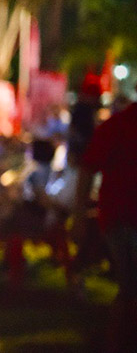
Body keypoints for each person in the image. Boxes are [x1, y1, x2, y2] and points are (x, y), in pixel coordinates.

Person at [76, 90, 137, 353]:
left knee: (129, 292)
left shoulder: (117, 124)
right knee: (131, 292)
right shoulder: (121, 124)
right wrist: (79, 215)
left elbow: (86, 169)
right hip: (125, 219)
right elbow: (87, 168)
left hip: (119, 218)